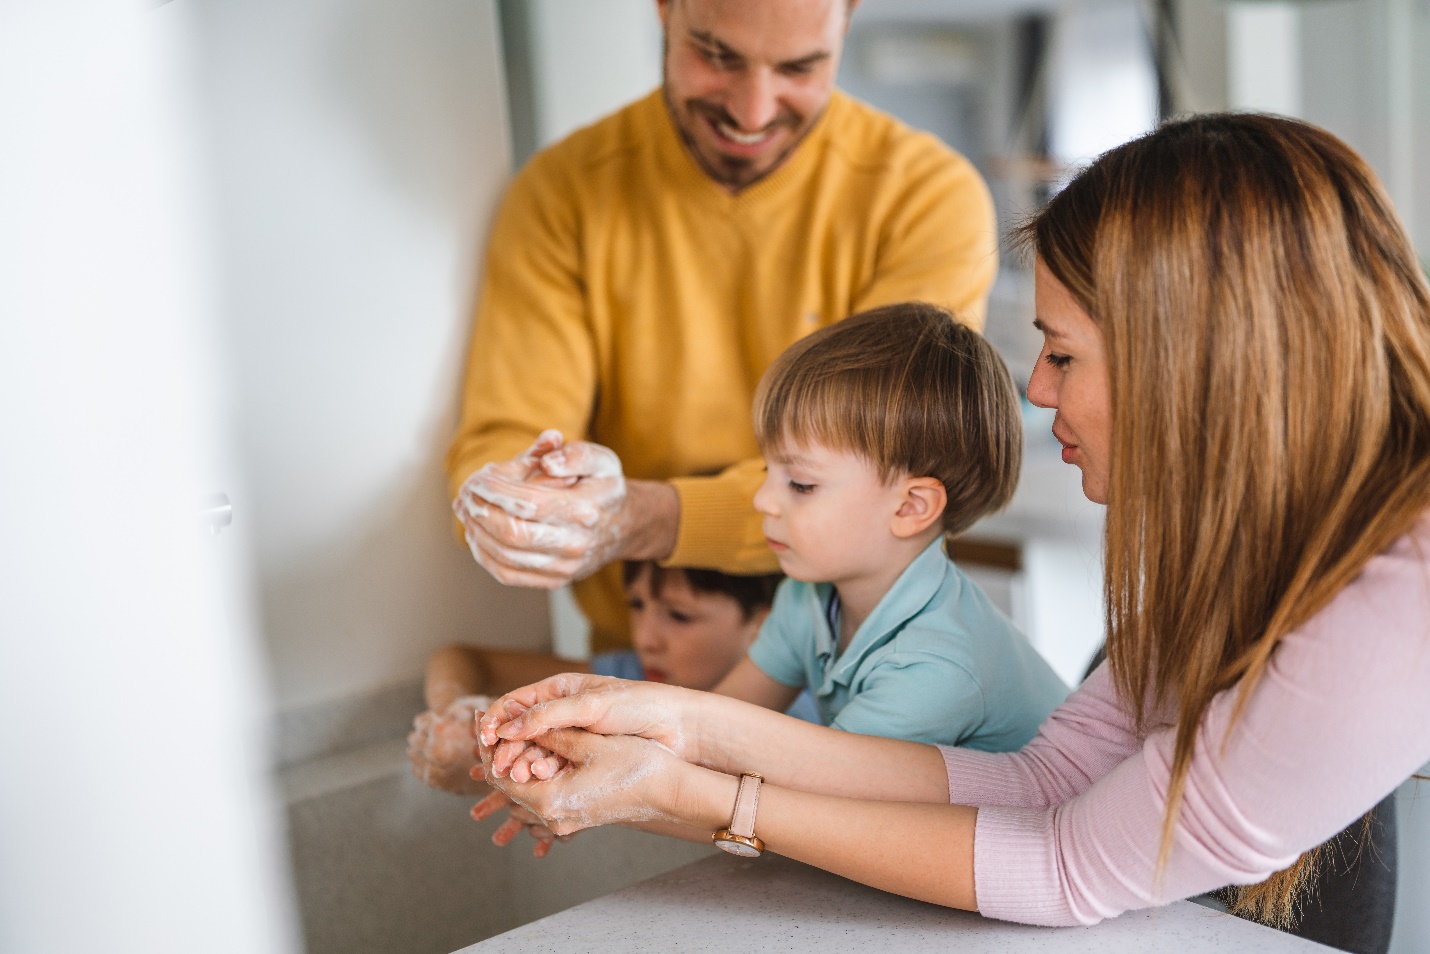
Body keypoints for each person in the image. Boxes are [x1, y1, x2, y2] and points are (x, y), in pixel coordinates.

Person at [472, 113, 1430, 945]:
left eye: (1060, 353)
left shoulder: (1396, 595)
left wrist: (685, 791)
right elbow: (1049, 778)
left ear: (1192, 364)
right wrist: (671, 721)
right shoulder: (1260, 553)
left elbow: (1063, 865)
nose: (1038, 388)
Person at [447, 0, 998, 657]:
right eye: (717, 56)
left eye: (800, 66)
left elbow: (880, 480)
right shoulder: (561, 193)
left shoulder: (926, 198)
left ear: (846, 24)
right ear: (664, 10)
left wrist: (638, 519)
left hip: (856, 659)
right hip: (647, 659)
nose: (753, 112)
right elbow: (504, 434)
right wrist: (522, 500)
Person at [710, 302, 1067, 747]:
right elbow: (716, 724)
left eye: (800, 484)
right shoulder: (808, 598)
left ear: (911, 508)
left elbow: (807, 799)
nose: (763, 500)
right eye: (768, 472)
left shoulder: (934, 666)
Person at [406, 560, 803, 799]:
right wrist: (456, 719)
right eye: (637, 605)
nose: (646, 639)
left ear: (766, 626)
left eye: (679, 616)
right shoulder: (630, 680)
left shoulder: (802, 719)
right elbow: (458, 659)